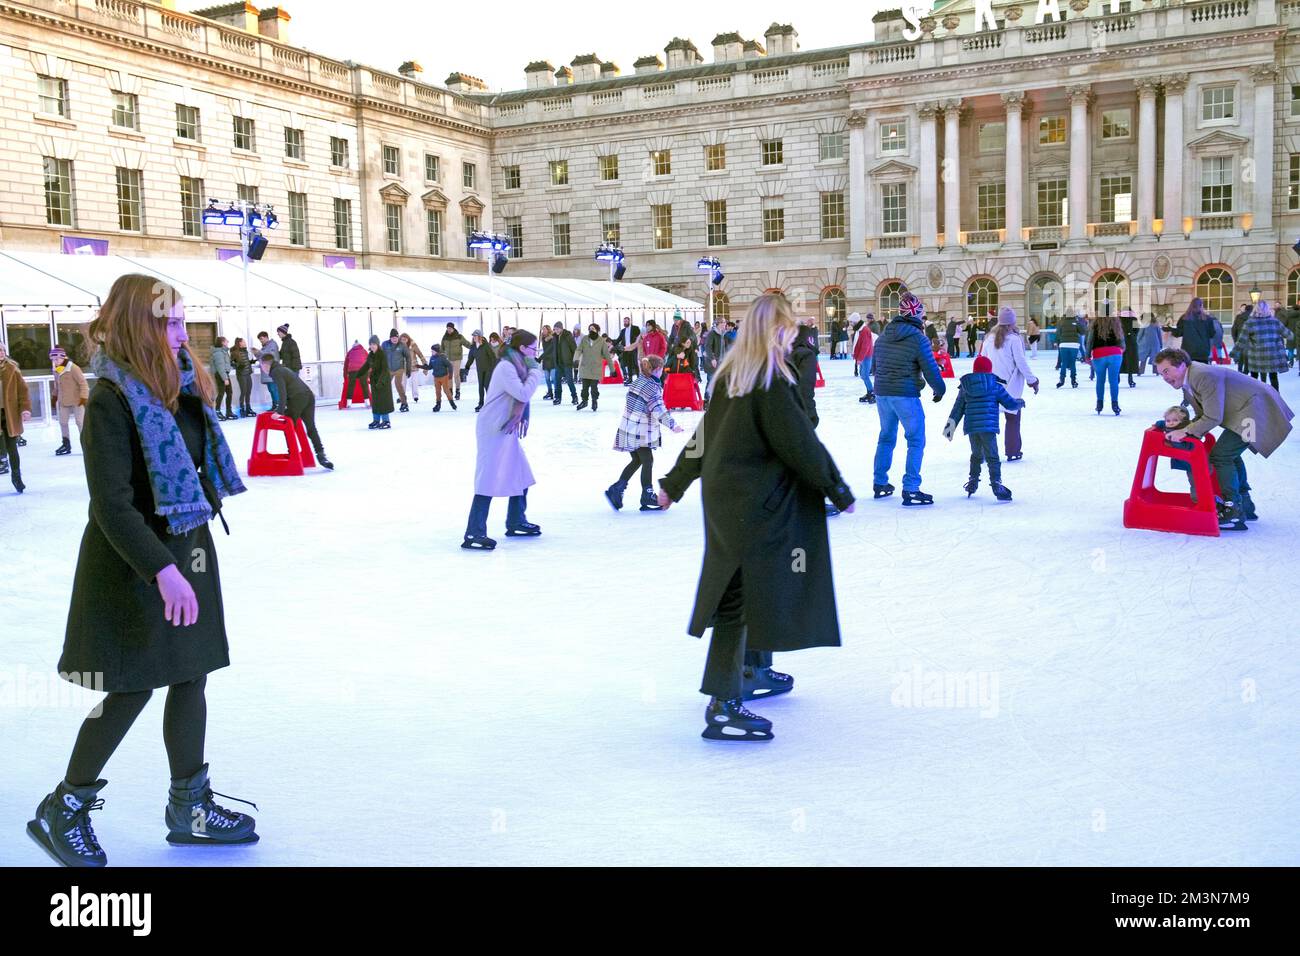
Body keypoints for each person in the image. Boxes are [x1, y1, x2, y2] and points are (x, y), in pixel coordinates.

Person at [29, 274, 255, 868]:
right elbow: (111, 504)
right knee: (129, 689)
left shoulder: (176, 386)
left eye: (183, 320)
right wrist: (162, 571)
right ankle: (65, 807)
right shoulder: (111, 398)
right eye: (170, 322)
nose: (183, 333)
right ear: (138, 324)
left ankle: (190, 807)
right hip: (133, 565)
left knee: (191, 674)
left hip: (187, 551)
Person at [657, 293, 855, 742]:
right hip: (757, 504)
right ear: (777, 330)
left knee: (757, 583)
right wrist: (836, 488)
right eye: (789, 329)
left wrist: (675, 482)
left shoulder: (733, 376)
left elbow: (703, 437)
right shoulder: (768, 380)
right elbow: (799, 443)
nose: (793, 337)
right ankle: (724, 704)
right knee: (740, 596)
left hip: (728, 500)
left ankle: (752, 669)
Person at [1155, 347, 1294, 530]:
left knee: (1222, 456)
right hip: (1245, 413)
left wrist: (1186, 432)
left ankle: (1233, 510)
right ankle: (1244, 505)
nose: (1165, 378)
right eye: (1160, 374)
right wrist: (1180, 429)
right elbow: (1201, 415)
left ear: (1181, 365)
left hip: (1255, 412)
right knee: (1230, 455)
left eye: (1166, 371)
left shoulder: (1203, 375)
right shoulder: (1188, 383)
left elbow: (1213, 417)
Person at [462, 330, 544, 550]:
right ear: (522, 349)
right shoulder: (506, 367)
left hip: (506, 426)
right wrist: (535, 372)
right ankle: (473, 533)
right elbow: (522, 394)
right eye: (533, 349)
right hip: (494, 428)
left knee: (521, 473)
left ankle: (516, 520)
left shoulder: (516, 365)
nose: (536, 353)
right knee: (487, 479)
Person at [871, 291, 946, 505]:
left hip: (883, 394)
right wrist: (940, 389)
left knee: (886, 437)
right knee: (915, 439)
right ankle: (911, 487)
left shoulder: (884, 336)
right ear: (918, 316)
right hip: (904, 394)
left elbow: (875, 367)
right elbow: (931, 369)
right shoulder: (918, 338)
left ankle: (880, 482)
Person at [605, 354, 683, 512]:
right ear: (656, 370)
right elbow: (658, 409)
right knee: (647, 460)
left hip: (629, 425)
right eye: (661, 369)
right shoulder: (651, 387)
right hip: (639, 429)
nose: (662, 372)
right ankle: (646, 494)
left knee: (637, 460)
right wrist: (673, 425)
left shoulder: (638, 381)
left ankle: (617, 489)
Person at [943, 354, 1024, 500]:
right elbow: (1010, 404)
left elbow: (957, 409)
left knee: (976, 455)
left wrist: (949, 428)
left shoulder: (965, 387)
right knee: (992, 456)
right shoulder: (995, 386)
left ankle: (973, 482)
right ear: (989, 370)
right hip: (989, 428)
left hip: (972, 428)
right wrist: (1020, 402)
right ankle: (996, 483)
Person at [980, 308, 1038, 461]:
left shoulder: (988, 339)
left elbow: (981, 361)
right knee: (1012, 419)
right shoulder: (1014, 339)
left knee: (989, 421)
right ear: (1012, 322)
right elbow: (1021, 362)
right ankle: (1012, 451)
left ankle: (986, 451)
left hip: (991, 385)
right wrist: (1032, 381)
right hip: (1010, 386)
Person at [260, 352, 333, 469]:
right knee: (311, 428)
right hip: (308, 396)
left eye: (261, 366)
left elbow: (282, 392)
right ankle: (321, 454)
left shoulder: (276, 372)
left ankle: (292, 455)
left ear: (265, 365)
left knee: (287, 425)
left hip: (298, 398)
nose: (262, 369)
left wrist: (279, 412)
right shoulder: (282, 369)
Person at [1239, 298, 1293, 392]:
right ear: (1267, 309)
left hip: (1255, 356)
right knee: (1273, 377)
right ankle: (1276, 398)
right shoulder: (1274, 322)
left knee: (1254, 377)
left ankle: (1255, 397)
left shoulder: (1250, 323)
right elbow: (1289, 335)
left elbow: (1242, 339)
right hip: (1271, 356)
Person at [0, 341, 32, 493]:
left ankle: (16, 478)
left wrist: (25, 409)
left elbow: (23, 392)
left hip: (9, 416)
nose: (0, 352)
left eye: (2, 349)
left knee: (12, 449)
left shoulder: (13, 370)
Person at [50, 345, 90, 456]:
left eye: (57, 359)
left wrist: (83, 398)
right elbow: (57, 385)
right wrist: (54, 397)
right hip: (63, 401)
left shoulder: (73, 368)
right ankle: (66, 444)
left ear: (63, 357)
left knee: (80, 423)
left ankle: (86, 445)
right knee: (62, 422)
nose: (55, 361)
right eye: (53, 359)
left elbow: (83, 384)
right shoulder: (57, 370)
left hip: (77, 401)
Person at [1086, 312, 1126, 415]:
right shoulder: (1116, 323)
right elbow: (1121, 338)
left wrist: (1087, 355)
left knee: (1100, 380)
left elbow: (1090, 341)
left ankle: (1099, 404)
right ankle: (1115, 404)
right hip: (1115, 353)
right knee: (1113, 381)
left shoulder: (1095, 324)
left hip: (1099, 354)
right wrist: (1122, 348)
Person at [575, 323, 617, 411]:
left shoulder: (601, 341)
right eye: (590, 328)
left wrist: (612, 370)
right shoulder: (585, 339)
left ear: (597, 330)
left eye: (593, 328)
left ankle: (594, 401)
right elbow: (578, 350)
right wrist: (576, 359)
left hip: (596, 368)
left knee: (594, 388)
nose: (591, 330)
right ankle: (584, 401)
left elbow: (607, 355)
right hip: (585, 367)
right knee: (584, 387)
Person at [363, 334, 393, 429]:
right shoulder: (370, 355)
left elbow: (385, 370)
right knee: (375, 401)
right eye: (371, 344)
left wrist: (381, 382)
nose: (372, 346)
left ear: (378, 344)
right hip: (374, 381)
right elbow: (368, 366)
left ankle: (386, 421)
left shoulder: (382, 354)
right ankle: (376, 420)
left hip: (383, 381)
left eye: (374, 344)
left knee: (383, 401)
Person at [1175, 299, 1215, 365]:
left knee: (1189, 372)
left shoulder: (1184, 318)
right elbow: (1212, 334)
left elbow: (1178, 333)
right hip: (1203, 352)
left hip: (1188, 351)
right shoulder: (1208, 319)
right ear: (1201, 306)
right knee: (1203, 373)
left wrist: (1170, 329)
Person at [440, 323, 472, 402]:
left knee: (456, 375)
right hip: (448, 359)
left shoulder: (459, 337)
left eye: (450, 328)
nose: (449, 330)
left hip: (457, 358)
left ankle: (458, 391)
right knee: (449, 376)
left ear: (453, 329)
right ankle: (450, 391)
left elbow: (467, 344)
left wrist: (475, 347)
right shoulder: (444, 337)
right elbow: (442, 349)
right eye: (448, 328)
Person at [382, 329, 411, 412]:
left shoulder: (402, 345)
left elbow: (408, 357)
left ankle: (404, 403)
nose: (395, 339)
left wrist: (408, 369)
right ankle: (385, 403)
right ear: (390, 338)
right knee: (385, 385)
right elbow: (380, 355)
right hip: (388, 369)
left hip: (399, 368)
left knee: (398, 384)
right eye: (393, 338)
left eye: (396, 338)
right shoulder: (385, 344)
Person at [1054, 312, 1084, 388]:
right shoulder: (1076, 322)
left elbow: (1058, 333)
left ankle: (1061, 380)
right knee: (1073, 363)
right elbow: (1083, 331)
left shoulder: (1061, 322)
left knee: (1064, 363)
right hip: (1074, 345)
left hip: (1063, 344)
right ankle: (1073, 381)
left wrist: (1057, 342)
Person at [472, 331, 500, 411]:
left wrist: (492, 368)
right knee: (480, 386)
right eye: (473, 336)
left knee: (486, 385)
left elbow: (493, 357)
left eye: (475, 336)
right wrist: (467, 367)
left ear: (479, 337)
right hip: (480, 370)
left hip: (488, 369)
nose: (474, 337)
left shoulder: (486, 345)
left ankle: (491, 403)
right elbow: (471, 357)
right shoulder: (474, 346)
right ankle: (481, 404)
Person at [551, 324, 578, 406]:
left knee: (569, 381)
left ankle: (574, 397)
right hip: (558, 363)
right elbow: (552, 349)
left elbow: (574, 348)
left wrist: (576, 361)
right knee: (557, 381)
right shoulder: (555, 337)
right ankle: (558, 398)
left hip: (567, 363)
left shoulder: (568, 336)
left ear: (561, 328)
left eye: (558, 329)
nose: (556, 331)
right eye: (555, 329)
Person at [252, 331, 279, 410]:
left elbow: (269, 356)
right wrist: (256, 353)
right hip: (267, 372)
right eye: (260, 339)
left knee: (274, 389)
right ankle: (275, 404)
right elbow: (261, 357)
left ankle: (278, 405)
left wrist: (259, 352)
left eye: (262, 339)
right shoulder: (265, 347)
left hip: (272, 371)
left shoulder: (272, 345)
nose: (261, 341)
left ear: (267, 337)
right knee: (271, 389)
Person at [209, 337, 234, 421]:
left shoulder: (223, 351)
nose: (228, 342)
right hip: (221, 375)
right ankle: (217, 411)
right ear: (222, 342)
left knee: (229, 393)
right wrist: (225, 378)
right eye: (226, 341)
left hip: (224, 374)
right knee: (221, 393)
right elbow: (220, 367)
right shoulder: (218, 353)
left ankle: (228, 411)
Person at [853, 313, 876, 403]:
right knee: (863, 376)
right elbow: (858, 344)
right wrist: (855, 355)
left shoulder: (864, 330)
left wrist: (860, 358)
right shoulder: (860, 330)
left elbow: (865, 346)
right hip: (863, 357)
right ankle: (869, 392)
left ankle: (872, 392)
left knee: (865, 376)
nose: (851, 324)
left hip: (866, 356)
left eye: (852, 322)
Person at [230, 337, 254, 418]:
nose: (245, 342)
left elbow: (245, 361)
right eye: (243, 341)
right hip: (241, 375)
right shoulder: (235, 352)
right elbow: (231, 362)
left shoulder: (245, 351)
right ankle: (241, 408)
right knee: (243, 391)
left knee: (249, 391)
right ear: (239, 343)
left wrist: (251, 362)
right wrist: (238, 366)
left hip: (248, 374)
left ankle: (248, 408)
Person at [341, 340, 370, 407]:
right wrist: (369, 373)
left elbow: (346, 364)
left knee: (351, 386)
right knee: (364, 385)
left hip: (352, 371)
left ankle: (349, 403)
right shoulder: (364, 351)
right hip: (362, 370)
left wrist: (345, 375)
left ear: (353, 346)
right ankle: (367, 402)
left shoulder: (350, 352)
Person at [428, 344, 456, 411]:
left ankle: (452, 403)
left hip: (444, 376)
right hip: (436, 377)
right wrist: (420, 366)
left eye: (433, 351)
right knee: (437, 392)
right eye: (431, 351)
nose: (431, 352)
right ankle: (438, 405)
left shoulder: (442, 357)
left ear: (437, 351)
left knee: (446, 390)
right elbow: (429, 367)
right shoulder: (432, 358)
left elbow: (450, 365)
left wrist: (450, 375)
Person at [400, 333, 426, 404]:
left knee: (414, 382)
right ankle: (402, 397)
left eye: (405, 339)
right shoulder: (399, 346)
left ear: (408, 339)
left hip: (414, 367)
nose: (404, 341)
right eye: (402, 340)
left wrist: (425, 363)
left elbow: (420, 354)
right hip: (403, 368)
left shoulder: (413, 345)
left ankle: (415, 396)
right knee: (402, 383)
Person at [615, 316, 640, 384]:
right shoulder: (623, 331)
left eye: (626, 321)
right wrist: (612, 344)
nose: (625, 322)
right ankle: (630, 379)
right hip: (626, 349)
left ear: (629, 321)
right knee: (628, 364)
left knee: (635, 364)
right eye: (624, 321)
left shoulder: (635, 328)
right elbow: (619, 339)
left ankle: (638, 378)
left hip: (634, 348)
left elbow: (639, 337)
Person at [1231, 302, 1253, 375]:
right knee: (1247, 357)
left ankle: (1240, 371)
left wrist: (1235, 340)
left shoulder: (1238, 317)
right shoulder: (1253, 318)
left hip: (1240, 339)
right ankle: (1246, 372)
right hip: (1250, 341)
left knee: (1241, 357)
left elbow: (1234, 329)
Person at [539, 325, 557, 400]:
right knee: (547, 378)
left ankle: (557, 392)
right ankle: (550, 392)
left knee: (553, 377)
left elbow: (549, 350)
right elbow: (545, 350)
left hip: (552, 360)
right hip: (546, 360)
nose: (543, 331)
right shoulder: (543, 338)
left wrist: (540, 358)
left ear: (548, 330)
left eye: (544, 329)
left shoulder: (553, 338)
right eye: (542, 330)